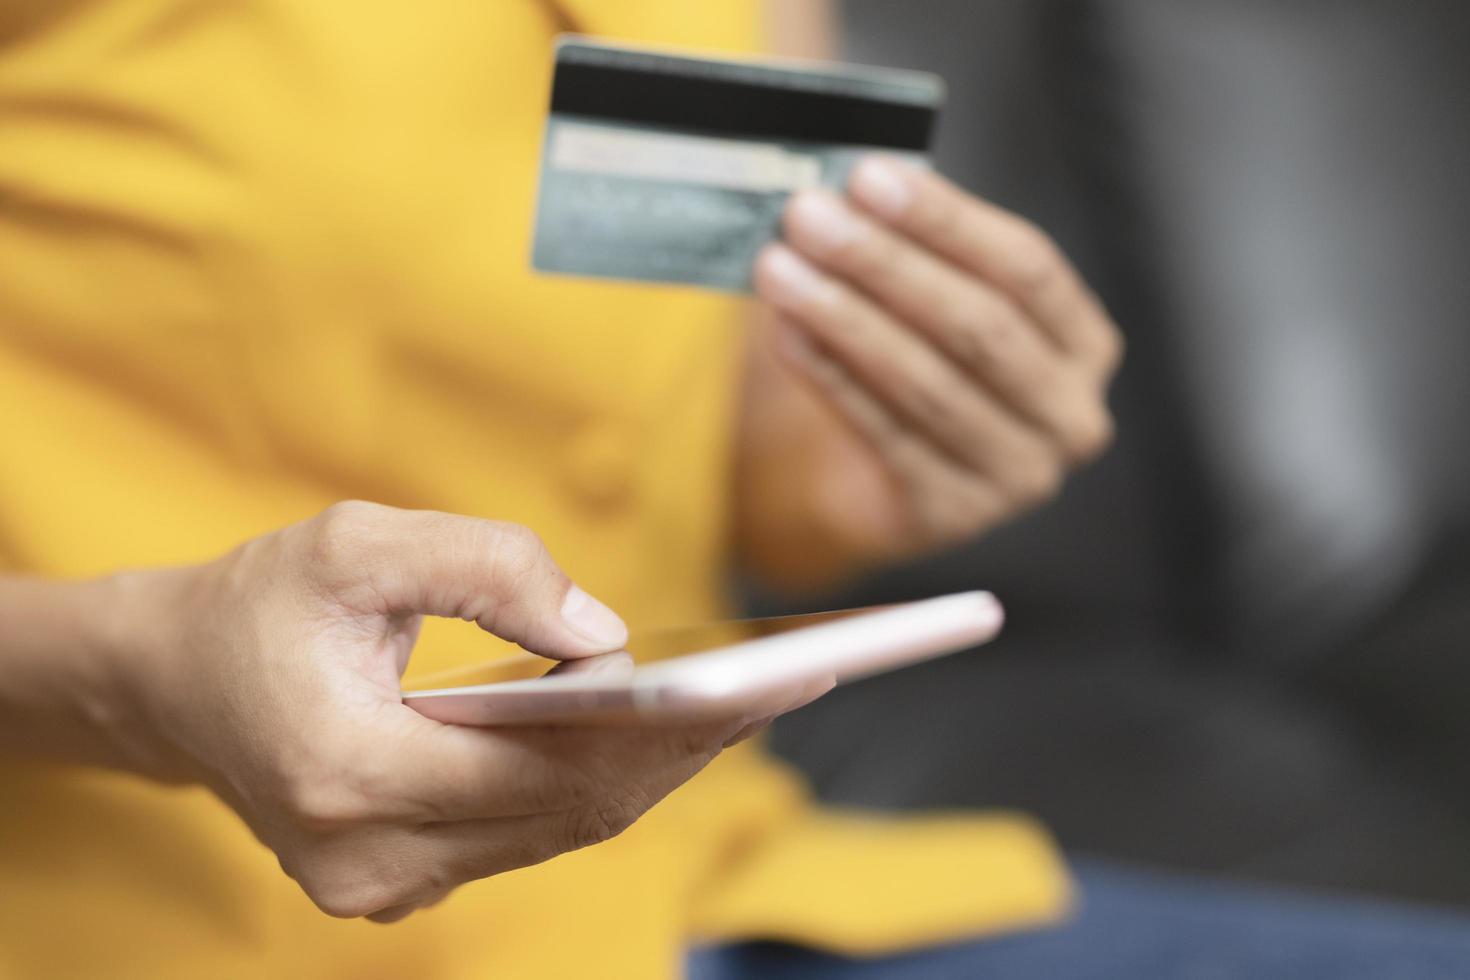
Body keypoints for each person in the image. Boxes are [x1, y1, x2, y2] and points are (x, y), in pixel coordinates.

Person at [0, 1, 1119, 976]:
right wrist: (133, 668)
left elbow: (728, 421)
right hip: (151, 930)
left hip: (694, 891)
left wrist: (849, 468)